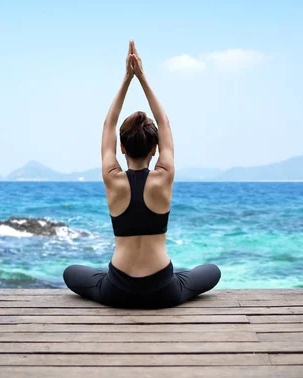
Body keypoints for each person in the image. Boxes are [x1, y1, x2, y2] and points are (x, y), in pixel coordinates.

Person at [63, 41, 220, 309]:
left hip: (116, 290)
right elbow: (165, 123)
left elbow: (108, 124)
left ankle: (113, 279)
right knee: (212, 271)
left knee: (70, 272)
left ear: (121, 148)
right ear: (156, 149)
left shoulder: (112, 178)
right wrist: (142, 77)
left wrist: (127, 78)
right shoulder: (164, 176)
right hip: (163, 291)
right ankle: (177, 278)